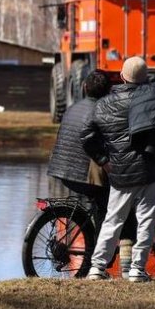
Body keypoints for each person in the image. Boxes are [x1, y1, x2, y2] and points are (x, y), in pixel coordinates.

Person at [80, 56, 155, 282]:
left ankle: (97, 267)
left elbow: (86, 135)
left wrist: (103, 160)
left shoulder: (104, 103)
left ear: (121, 76)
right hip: (149, 170)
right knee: (146, 221)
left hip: (120, 172)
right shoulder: (154, 101)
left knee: (113, 220)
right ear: (146, 78)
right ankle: (137, 270)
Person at [46, 71, 112, 218]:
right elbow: (91, 140)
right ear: (109, 90)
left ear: (85, 87)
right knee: (109, 204)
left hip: (61, 171)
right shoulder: (103, 112)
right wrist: (105, 162)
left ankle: (92, 226)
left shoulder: (72, 108)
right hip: (82, 176)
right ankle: (103, 232)